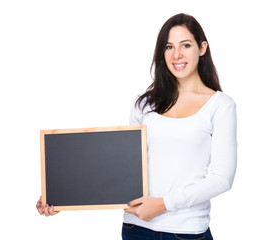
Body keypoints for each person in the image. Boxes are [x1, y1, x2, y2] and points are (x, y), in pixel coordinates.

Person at [36, 13, 237, 240]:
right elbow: (126, 168)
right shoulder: (144, 103)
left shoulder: (220, 106)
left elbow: (222, 178)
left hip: (185, 231)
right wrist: (65, 197)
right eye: (169, 47)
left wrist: (162, 204)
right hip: (136, 229)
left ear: (202, 48)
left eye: (186, 45)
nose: (177, 54)